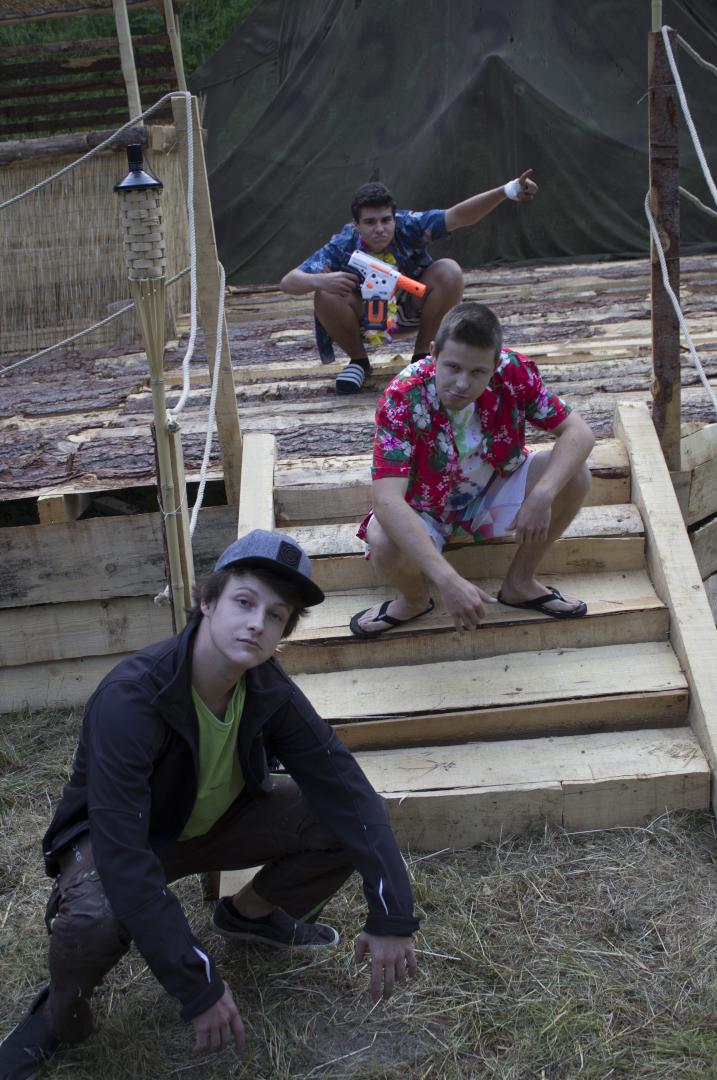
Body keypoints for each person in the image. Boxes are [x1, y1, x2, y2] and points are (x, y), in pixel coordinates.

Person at [0, 530, 418, 1080]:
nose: (257, 623)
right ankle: (57, 1017)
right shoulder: (132, 699)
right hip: (125, 840)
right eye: (244, 602)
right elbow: (124, 857)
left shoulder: (268, 688)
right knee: (95, 917)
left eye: (275, 615)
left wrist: (392, 916)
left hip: (216, 823)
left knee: (338, 820)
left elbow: (347, 791)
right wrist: (197, 984)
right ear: (207, 601)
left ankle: (249, 916)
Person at [350, 302, 596, 639]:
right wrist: (448, 579)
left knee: (575, 476)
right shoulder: (403, 398)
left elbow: (579, 433)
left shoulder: (513, 372)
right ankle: (414, 599)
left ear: (495, 365)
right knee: (383, 540)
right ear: (433, 353)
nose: (462, 383)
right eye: (452, 367)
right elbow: (387, 500)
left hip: (493, 491)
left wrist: (542, 495)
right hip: (425, 510)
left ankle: (520, 582)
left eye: (478, 372)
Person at [279, 175, 538, 395]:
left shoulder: (410, 225)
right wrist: (322, 279)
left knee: (449, 270)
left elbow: (458, 216)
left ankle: (423, 359)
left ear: (395, 218)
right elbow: (288, 282)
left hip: (413, 309)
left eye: (386, 220)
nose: (379, 229)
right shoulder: (342, 245)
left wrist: (506, 190)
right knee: (324, 293)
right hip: (365, 318)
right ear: (356, 225)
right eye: (370, 222)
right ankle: (358, 362)